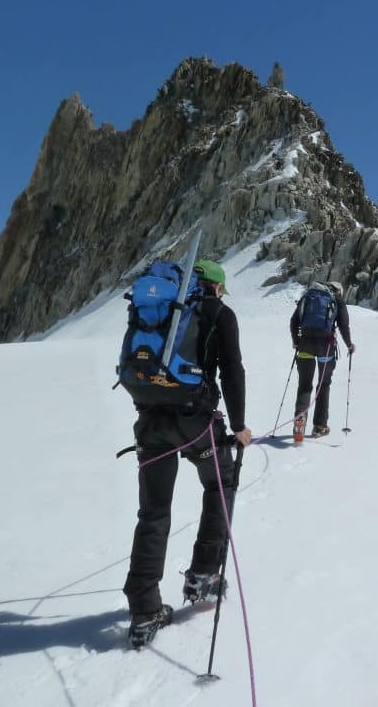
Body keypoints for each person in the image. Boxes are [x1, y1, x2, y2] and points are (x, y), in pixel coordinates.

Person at [124, 259, 252, 648]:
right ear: (217, 286)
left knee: (153, 512)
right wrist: (238, 426)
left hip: (150, 420)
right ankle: (204, 574)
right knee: (221, 483)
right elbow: (232, 370)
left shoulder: (158, 310)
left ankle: (144, 610)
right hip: (196, 422)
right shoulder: (219, 313)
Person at [290, 280, 354, 440]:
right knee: (323, 385)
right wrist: (349, 345)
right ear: (338, 291)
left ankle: (300, 421)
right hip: (326, 346)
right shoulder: (337, 300)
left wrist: (296, 341)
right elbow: (344, 326)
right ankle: (320, 426)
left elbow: (293, 321)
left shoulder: (308, 296)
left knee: (304, 385)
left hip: (305, 345)